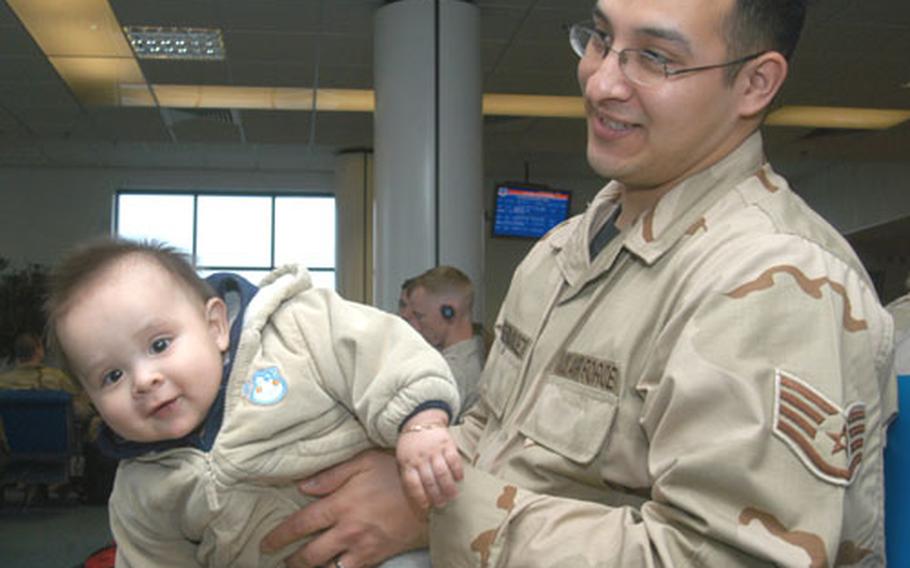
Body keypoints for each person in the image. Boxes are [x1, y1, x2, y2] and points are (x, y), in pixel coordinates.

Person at [261, 1, 898, 567]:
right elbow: (494, 428)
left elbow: (715, 556)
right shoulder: (563, 250)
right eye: (598, 37)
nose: (600, 82)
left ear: (755, 83)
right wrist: (399, 469)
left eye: (654, 57)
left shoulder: (773, 281)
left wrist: (440, 511)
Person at [44, 238, 463, 567]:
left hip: (389, 551)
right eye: (112, 376)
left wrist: (420, 424)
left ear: (215, 326)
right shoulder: (141, 491)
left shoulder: (295, 332)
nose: (144, 379)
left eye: (159, 344)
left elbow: (380, 349)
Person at [408, 266, 486, 417]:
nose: (415, 325)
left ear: (448, 312)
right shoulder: (480, 350)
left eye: (420, 316)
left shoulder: (454, 373)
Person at [0, 331, 97, 437]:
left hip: (15, 447)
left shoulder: (3, 383)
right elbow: (82, 408)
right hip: (57, 443)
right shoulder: (56, 378)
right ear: (38, 351)